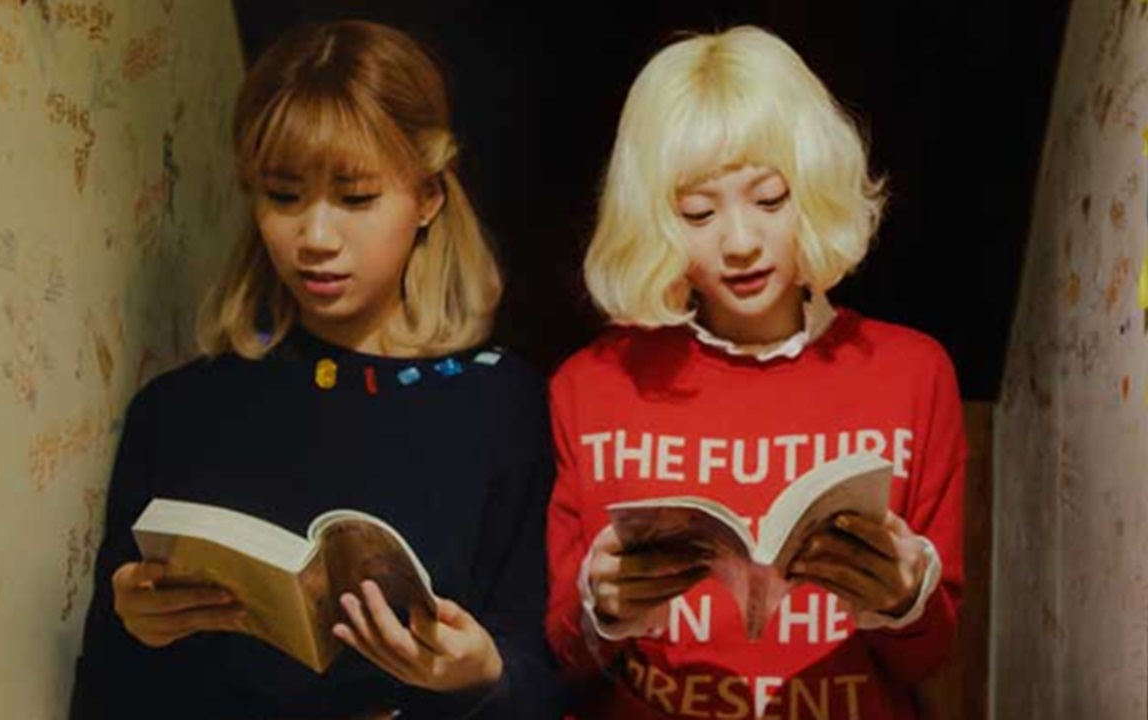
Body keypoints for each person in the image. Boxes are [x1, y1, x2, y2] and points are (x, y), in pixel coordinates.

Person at [71, 20, 559, 720]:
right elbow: (107, 689)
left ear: (428, 197)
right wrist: (135, 628)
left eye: (356, 198)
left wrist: (482, 676)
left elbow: (541, 681)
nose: (316, 238)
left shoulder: (502, 403)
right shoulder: (175, 412)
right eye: (282, 195)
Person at [545, 26, 966, 720]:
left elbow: (928, 656)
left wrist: (903, 597)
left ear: (816, 189)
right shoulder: (592, 384)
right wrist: (603, 605)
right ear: (654, 219)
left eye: (770, 199)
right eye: (698, 212)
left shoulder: (912, 372)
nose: (740, 242)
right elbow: (564, 654)